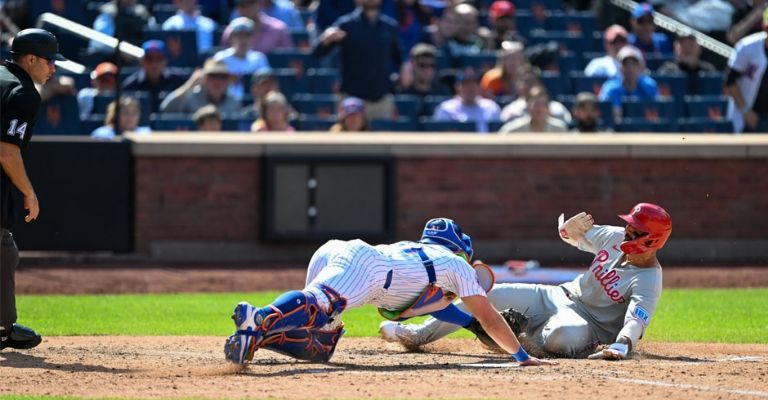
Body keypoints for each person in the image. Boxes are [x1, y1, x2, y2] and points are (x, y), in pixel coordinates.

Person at [223, 217, 557, 366]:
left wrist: (469, 325)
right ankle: (260, 316)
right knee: (319, 306)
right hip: (367, 266)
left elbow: (436, 306)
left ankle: (255, 337)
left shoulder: (425, 260)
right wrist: (521, 355)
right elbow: (489, 317)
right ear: (461, 249)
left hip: (340, 252)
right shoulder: (458, 266)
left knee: (320, 345)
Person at [380, 203, 672, 361]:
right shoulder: (614, 236)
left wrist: (622, 344)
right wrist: (567, 229)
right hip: (556, 296)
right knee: (486, 295)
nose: (627, 232)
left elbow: (636, 320)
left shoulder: (649, 279)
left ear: (652, 239)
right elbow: (572, 236)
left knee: (561, 339)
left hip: (589, 325)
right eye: (629, 225)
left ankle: (516, 340)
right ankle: (417, 335)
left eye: (635, 230)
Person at [1, 28, 66, 351]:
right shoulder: (23, 92)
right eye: (49, 60)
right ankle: (3, 327)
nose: (53, 68)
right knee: (3, 250)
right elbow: (6, 152)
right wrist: (29, 192)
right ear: (30, 59)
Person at [313, 0, 402, 121]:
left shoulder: (390, 27)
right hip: (350, 101)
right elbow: (317, 53)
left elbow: (400, 57)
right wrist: (326, 39)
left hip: (381, 100)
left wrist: (404, 68)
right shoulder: (346, 24)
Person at [723, 9, 768, 133]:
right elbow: (729, 84)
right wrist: (745, 111)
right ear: (765, 27)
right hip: (749, 116)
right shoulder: (747, 46)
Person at [122, 40, 188, 113]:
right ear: (142, 61)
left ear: (166, 61)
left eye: (159, 58)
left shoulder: (178, 80)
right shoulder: (130, 85)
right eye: (149, 59)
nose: (154, 64)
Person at [213, 17, 270, 100]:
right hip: (225, 101)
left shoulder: (259, 59)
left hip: (253, 102)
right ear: (231, 37)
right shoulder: (221, 58)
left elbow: (266, 85)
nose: (243, 40)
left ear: (252, 38)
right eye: (238, 35)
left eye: (246, 36)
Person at [598, 46, 659, 122]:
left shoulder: (650, 86)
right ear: (620, 67)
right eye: (625, 64)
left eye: (634, 63)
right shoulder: (610, 88)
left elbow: (656, 116)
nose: (630, 68)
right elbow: (614, 118)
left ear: (640, 66)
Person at [160, 58, 241, 114]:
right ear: (205, 79)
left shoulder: (234, 103)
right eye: (212, 76)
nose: (217, 81)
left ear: (227, 81)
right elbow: (165, 109)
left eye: (222, 77)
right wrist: (189, 85)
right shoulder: (192, 97)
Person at [433, 68, 501, 133]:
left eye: (473, 85)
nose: (470, 89)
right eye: (466, 85)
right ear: (457, 87)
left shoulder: (491, 107)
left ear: (479, 87)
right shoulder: (445, 109)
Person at [500, 65, 571, 124]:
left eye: (533, 81)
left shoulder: (557, 109)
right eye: (526, 82)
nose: (530, 85)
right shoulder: (511, 111)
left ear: (540, 83)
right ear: (518, 86)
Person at [657, 30, 716, 95]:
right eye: (682, 45)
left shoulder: (708, 70)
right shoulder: (667, 70)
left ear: (699, 49)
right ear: (675, 49)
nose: (687, 49)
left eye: (691, 45)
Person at [224, 0, 294, 54]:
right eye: (241, 5)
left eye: (250, 3)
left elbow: (287, 59)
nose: (245, 9)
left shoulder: (278, 29)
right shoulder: (230, 31)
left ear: (259, 3)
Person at [498, 86, 568, 133]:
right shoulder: (513, 130)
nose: (539, 109)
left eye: (543, 105)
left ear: (548, 108)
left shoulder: (560, 129)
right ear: (528, 107)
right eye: (536, 105)